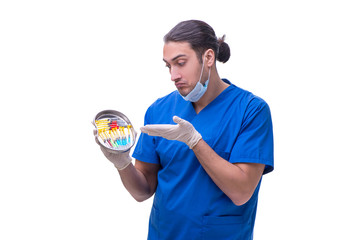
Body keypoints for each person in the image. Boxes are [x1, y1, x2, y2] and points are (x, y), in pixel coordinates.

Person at [96, 20, 274, 240]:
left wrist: (194, 141)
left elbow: (241, 192)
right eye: (168, 65)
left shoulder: (251, 110)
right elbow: (142, 191)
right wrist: (121, 163)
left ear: (208, 58)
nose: (173, 75)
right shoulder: (159, 110)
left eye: (180, 62)